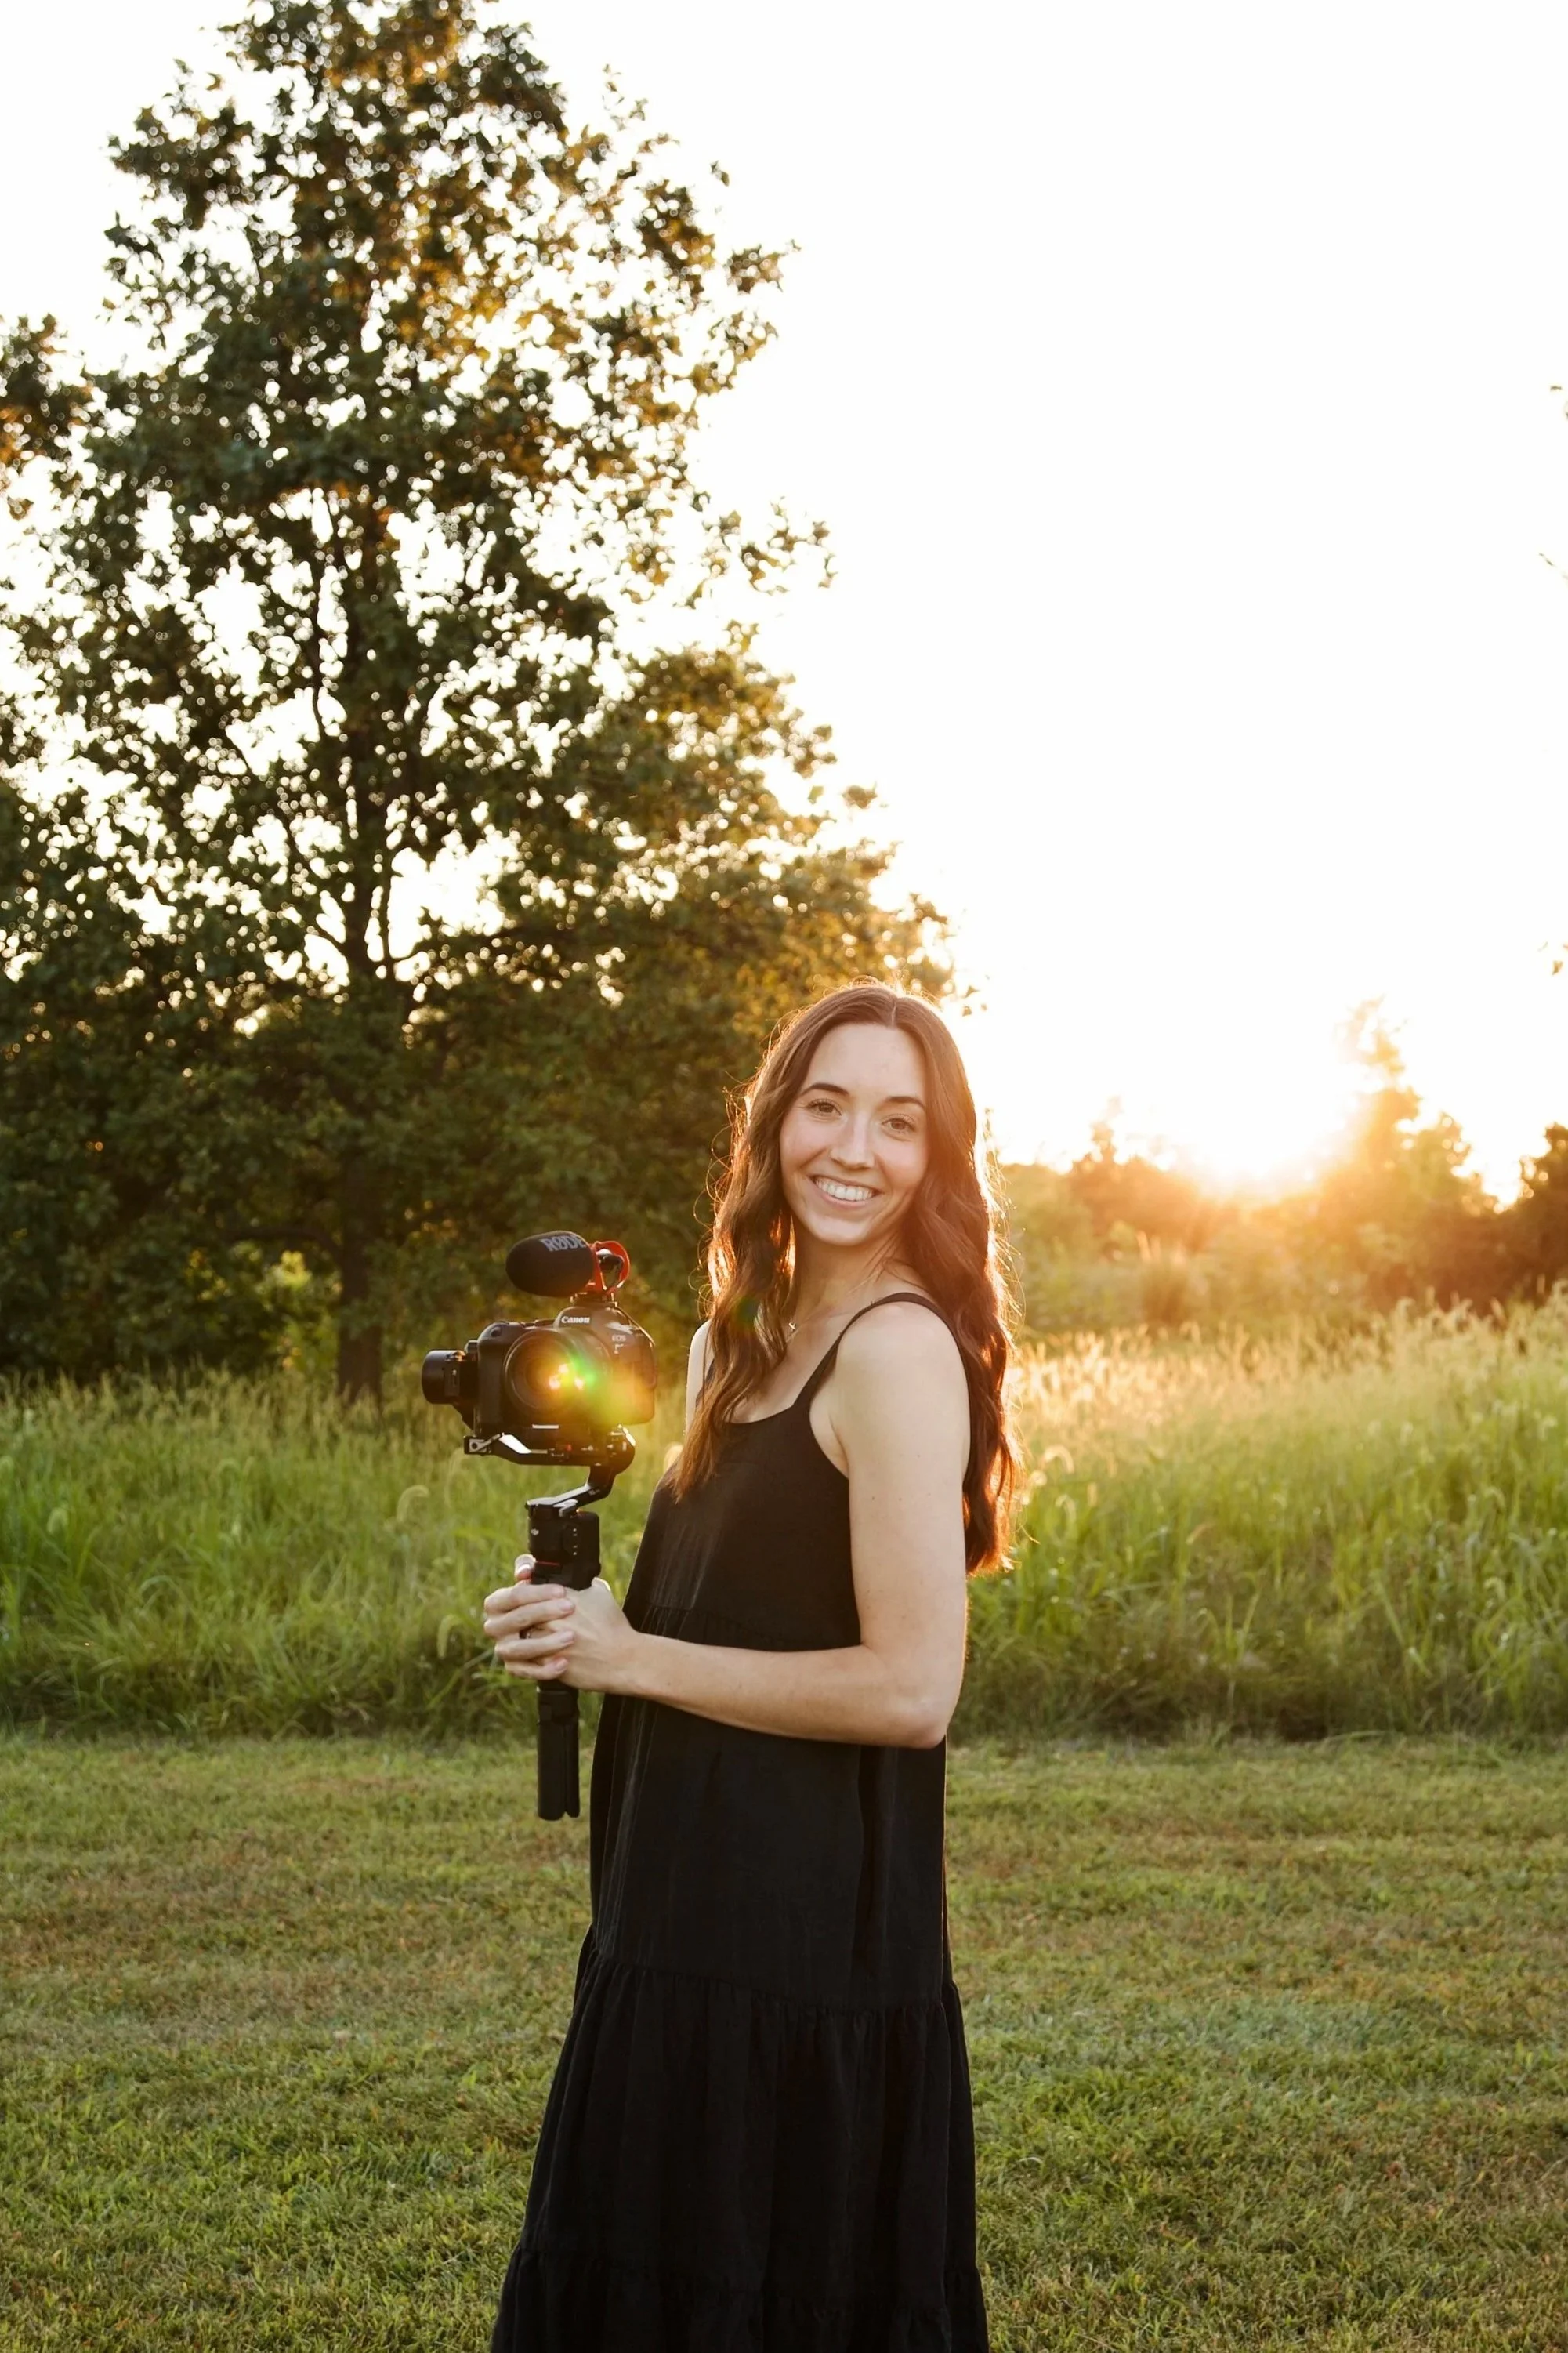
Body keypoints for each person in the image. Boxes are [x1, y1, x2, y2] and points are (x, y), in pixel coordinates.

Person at [482, 980, 1016, 2353]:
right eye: (827, 1104)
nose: (856, 1147)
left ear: (937, 1157)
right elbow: (727, 1606)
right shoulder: (734, 1343)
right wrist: (582, 1621)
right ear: (776, 1124)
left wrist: (636, 1654)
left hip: (803, 1944)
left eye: (901, 1121)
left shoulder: (897, 1351)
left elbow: (911, 1690)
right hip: (673, 1911)